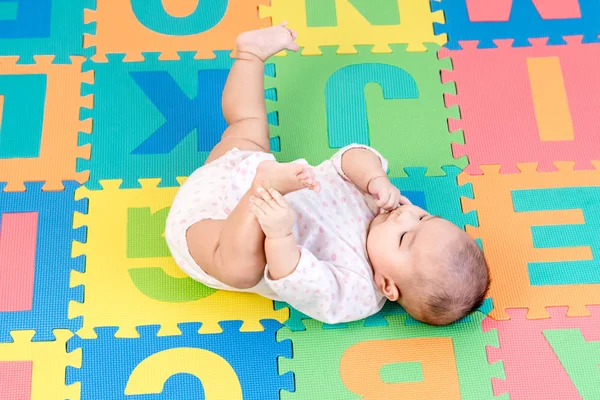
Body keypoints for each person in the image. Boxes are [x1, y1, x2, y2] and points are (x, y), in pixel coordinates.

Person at [165, 23, 490, 326]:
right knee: (246, 125)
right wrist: (374, 176)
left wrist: (279, 234)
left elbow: (293, 276)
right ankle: (250, 54)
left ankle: (261, 190)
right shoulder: (379, 204)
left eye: (405, 238)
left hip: (214, 233)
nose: (402, 218)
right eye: (423, 218)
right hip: (233, 172)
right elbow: (350, 158)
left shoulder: (356, 291)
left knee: (241, 270)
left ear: (387, 285)